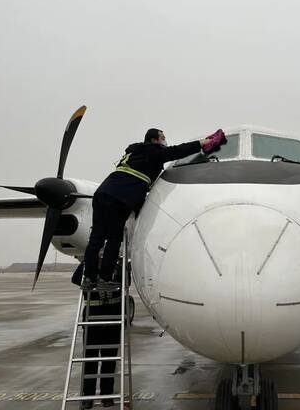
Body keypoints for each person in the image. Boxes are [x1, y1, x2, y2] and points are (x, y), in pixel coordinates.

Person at [82, 128, 226, 290]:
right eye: (162, 138)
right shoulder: (152, 150)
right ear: (154, 140)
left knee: (96, 239)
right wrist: (202, 143)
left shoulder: (134, 152)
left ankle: (88, 279)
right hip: (121, 197)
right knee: (114, 239)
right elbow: (176, 151)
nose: (165, 141)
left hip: (103, 193)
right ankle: (104, 279)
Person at [72, 261, 123, 409]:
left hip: (112, 317)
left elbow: (127, 281)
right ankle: (88, 397)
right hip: (93, 317)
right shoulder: (87, 265)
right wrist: (91, 274)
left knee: (110, 359)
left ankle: (107, 396)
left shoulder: (117, 265)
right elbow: (75, 279)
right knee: (90, 359)